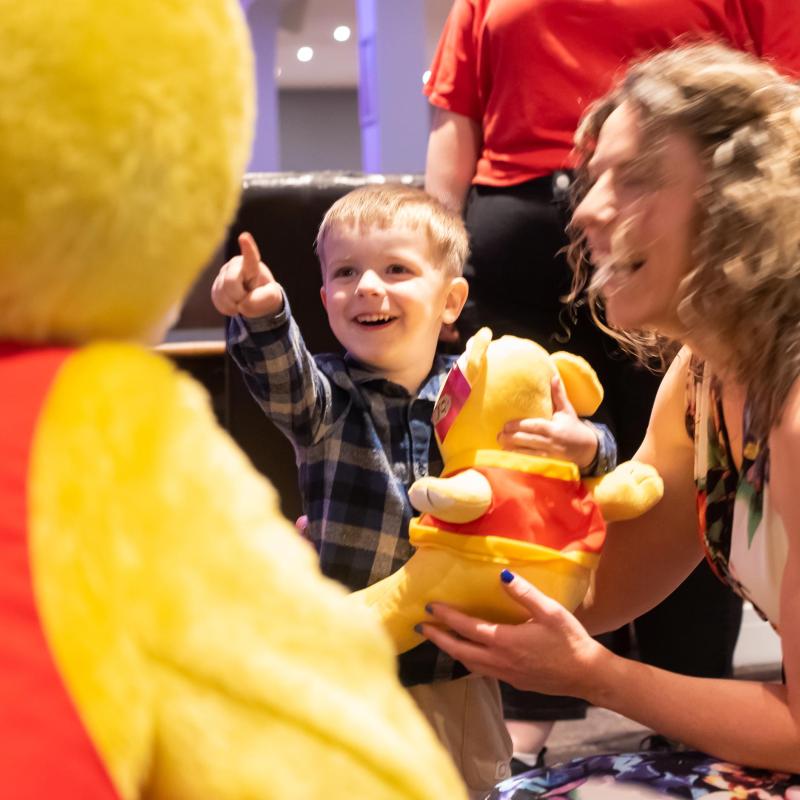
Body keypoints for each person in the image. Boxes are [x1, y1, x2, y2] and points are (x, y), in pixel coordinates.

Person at [423, 0, 800, 766]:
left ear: (742, 199)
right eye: (591, 178)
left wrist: (598, 678)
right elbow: (593, 592)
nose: (585, 209)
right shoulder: (699, 386)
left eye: (631, 179)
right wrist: (367, 554)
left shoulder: (793, 413)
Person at [210, 183, 617, 798]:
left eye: (396, 269)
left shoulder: (485, 390)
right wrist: (262, 311)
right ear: (325, 300)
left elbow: (571, 459)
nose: (368, 286)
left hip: (457, 662)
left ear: (451, 301)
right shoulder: (326, 396)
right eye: (346, 273)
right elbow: (280, 374)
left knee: (468, 781)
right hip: (352, 659)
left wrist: (587, 446)